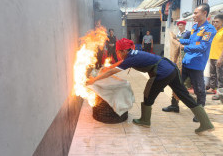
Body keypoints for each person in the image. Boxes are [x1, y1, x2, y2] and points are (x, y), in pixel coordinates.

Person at [86, 38, 214, 134]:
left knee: (148, 95)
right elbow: (120, 63)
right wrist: (110, 66)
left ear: (123, 51)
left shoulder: (130, 58)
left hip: (162, 72)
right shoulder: (133, 53)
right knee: (184, 96)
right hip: (171, 68)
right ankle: (206, 122)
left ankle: (145, 120)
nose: (117, 55)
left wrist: (94, 80)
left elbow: (113, 72)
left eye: (118, 52)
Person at [171, 3, 216, 122]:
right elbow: (191, 40)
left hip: (196, 64)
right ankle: (174, 105)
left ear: (204, 13)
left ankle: (200, 113)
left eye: (196, 13)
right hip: (186, 61)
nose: (193, 15)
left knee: (199, 90)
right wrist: (178, 39)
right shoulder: (195, 27)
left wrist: (183, 48)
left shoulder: (209, 29)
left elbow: (202, 47)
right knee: (176, 83)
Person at [162, 21, 191, 113]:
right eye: (178, 25)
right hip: (177, 61)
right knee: (176, 82)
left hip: (186, 61)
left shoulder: (188, 33)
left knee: (185, 85)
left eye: (181, 25)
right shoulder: (177, 34)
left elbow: (191, 44)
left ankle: (196, 107)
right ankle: (174, 104)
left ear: (185, 25)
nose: (179, 26)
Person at [207, 14, 223, 100]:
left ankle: (220, 93)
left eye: (217, 22)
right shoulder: (214, 32)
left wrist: (221, 58)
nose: (215, 23)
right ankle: (212, 89)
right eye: (214, 22)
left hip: (219, 57)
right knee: (212, 74)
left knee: (220, 76)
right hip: (212, 56)